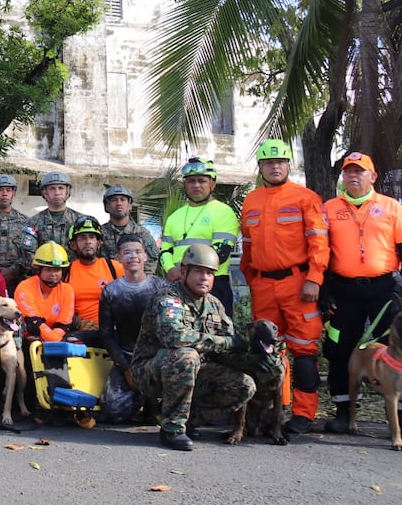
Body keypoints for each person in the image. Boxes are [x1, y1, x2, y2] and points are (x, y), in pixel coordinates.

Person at [239, 139, 330, 434]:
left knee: (303, 351)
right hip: (264, 284)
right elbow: (248, 247)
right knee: (265, 352)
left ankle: (303, 415)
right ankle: (274, 410)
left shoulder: (306, 198)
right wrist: (253, 280)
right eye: (268, 162)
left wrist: (314, 278)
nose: (275, 166)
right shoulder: (251, 201)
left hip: (298, 284)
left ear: (289, 164)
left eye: (280, 161)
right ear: (260, 167)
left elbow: (319, 242)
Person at [131, 243, 256, 451]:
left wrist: (255, 355)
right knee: (186, 356)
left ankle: (189, 419)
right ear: (183, 272)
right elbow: (175, 337)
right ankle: (172, 429)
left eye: (209, 273)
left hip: (196, 370)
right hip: (151, 370)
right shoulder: (168, 298)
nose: (204, 278)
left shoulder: (215, 304)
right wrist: (225, 343)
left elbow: (230, 347)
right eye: (198, 271)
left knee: (245, 385)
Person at [320, 152, 402, 434]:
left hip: (383, 291)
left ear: (373, 176)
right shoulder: (329, 208)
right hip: (343, 291)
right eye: (348, 172)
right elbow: (321, 252)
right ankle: (344, 411)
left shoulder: (392, 207)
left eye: (360, 171)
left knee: (392, 353)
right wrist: (324, 291)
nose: (353, 176)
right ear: (343, 176)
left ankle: (397, 419)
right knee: (339, 348)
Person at [97, 234, 170, 423]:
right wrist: (126, 368)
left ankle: (155, 400)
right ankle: (140, 397)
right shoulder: (111, 291)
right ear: (119, 258)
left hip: (159, 357)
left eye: (138, 252)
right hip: (127, 356)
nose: (133, 257)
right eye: (127, 253)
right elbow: (106, 334)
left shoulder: (161, 287)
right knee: (113, 414)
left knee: (161, 413)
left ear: (146, 256)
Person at [159, 157, 241, 316]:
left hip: (213, 284)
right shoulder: (174, 217)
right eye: (191, 181)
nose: (196, 185)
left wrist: (184, 271)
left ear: (212, 184)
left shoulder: (223, 212)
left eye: (202, 181)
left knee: (217, 335)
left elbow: (220, 252)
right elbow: (165, 250)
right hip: (179, 284)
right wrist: (170, 269)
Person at [64, 215, 124, 341]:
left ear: (99, 243)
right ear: (73, 245)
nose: (88, 242)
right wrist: (78, 323)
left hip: (115, 331)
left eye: (92, 237)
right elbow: (57, 307)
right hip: (80, 332)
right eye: (82, 238)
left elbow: (131, 300)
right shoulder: (66, 273)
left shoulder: (114, 268)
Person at [13, 242, 76, 344]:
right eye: (48, 270)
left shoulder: (67, 290)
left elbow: (64, 325)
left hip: (54, 340)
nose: (53, 274)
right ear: (38, 270)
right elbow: (34, 324)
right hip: (26, 340)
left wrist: (53, 342)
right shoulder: (25, 288)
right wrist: (57, 341)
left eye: (57, 270)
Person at [99, 185, 158, 270]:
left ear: (130, 205)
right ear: (106, 206)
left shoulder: (142, 233)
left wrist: (141, 279)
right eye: (114, 200)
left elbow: (154, 259)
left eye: (123, 199)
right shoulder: (99, 234)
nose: (119, 203)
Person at [28, 171, 83, 252]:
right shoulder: (33, 223)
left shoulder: (81, 221)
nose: (57, 193)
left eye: (61, 188)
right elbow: (28, 254)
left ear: (67, 191)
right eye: (52, 189)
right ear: (45, 192)